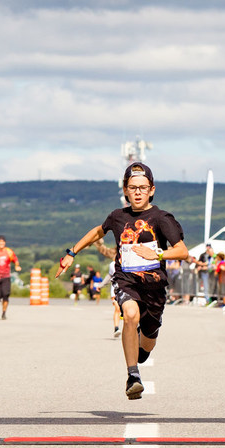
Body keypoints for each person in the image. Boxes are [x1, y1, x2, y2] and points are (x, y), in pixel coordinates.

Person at [54, 162, 187, 399]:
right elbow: (98, 231)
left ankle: (138, 355)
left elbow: (182, 251)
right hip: (126, 281)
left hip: (154, 288)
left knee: (147, 344)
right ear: (125, 190)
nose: (137, 192)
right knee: (130, 314)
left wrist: (157, 254)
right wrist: (71, 253)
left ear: (152, 190)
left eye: (142, 188)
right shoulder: (117, 217)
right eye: (132, 187)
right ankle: (133, 375)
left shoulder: (161, 218)